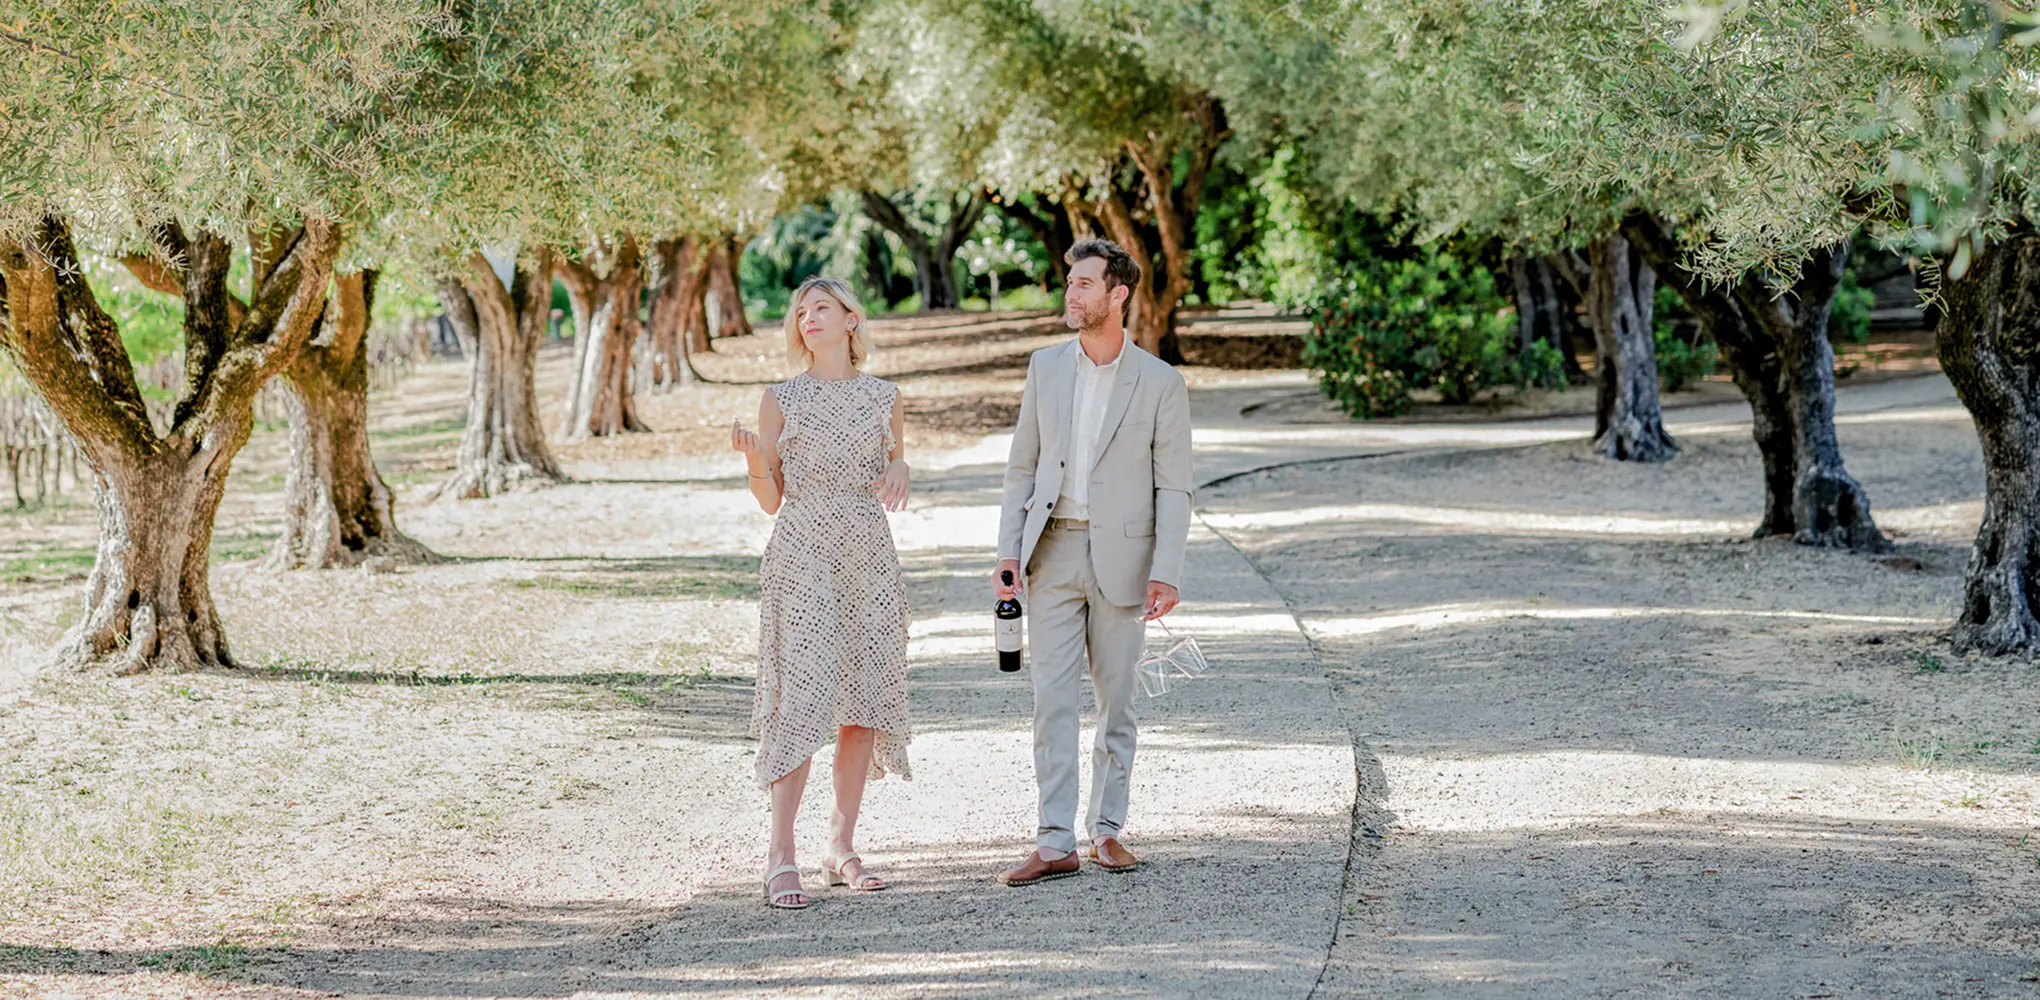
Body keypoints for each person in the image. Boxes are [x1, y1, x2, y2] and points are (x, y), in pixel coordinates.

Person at [991, 239, 1193, 887]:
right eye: (1069, 283)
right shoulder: (1045, 367)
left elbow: (1175, 487)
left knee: (1117, 702)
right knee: (1050, 700)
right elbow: (1021, 466)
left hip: (1126, 559)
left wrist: (1168, 568)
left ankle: (1107, 831)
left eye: (1083, 284)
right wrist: (1007, 551)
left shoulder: (1162, 382)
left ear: (1118, 295)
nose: (1070, 295)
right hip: (1050, 552)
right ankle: (1054, 841)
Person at [731, 276, 913, 910]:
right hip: (802, 548)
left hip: (867, 551)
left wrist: (900, 466)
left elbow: (894, 463)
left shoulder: (886, 397)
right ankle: (781, 854)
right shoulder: (780, 398)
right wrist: (756, 460)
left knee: (862, 698)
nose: (809, 318)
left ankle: (841, 848)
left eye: (822, 308)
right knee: (804, 696)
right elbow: (770, 499)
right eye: (801, 311)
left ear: (851, 320)